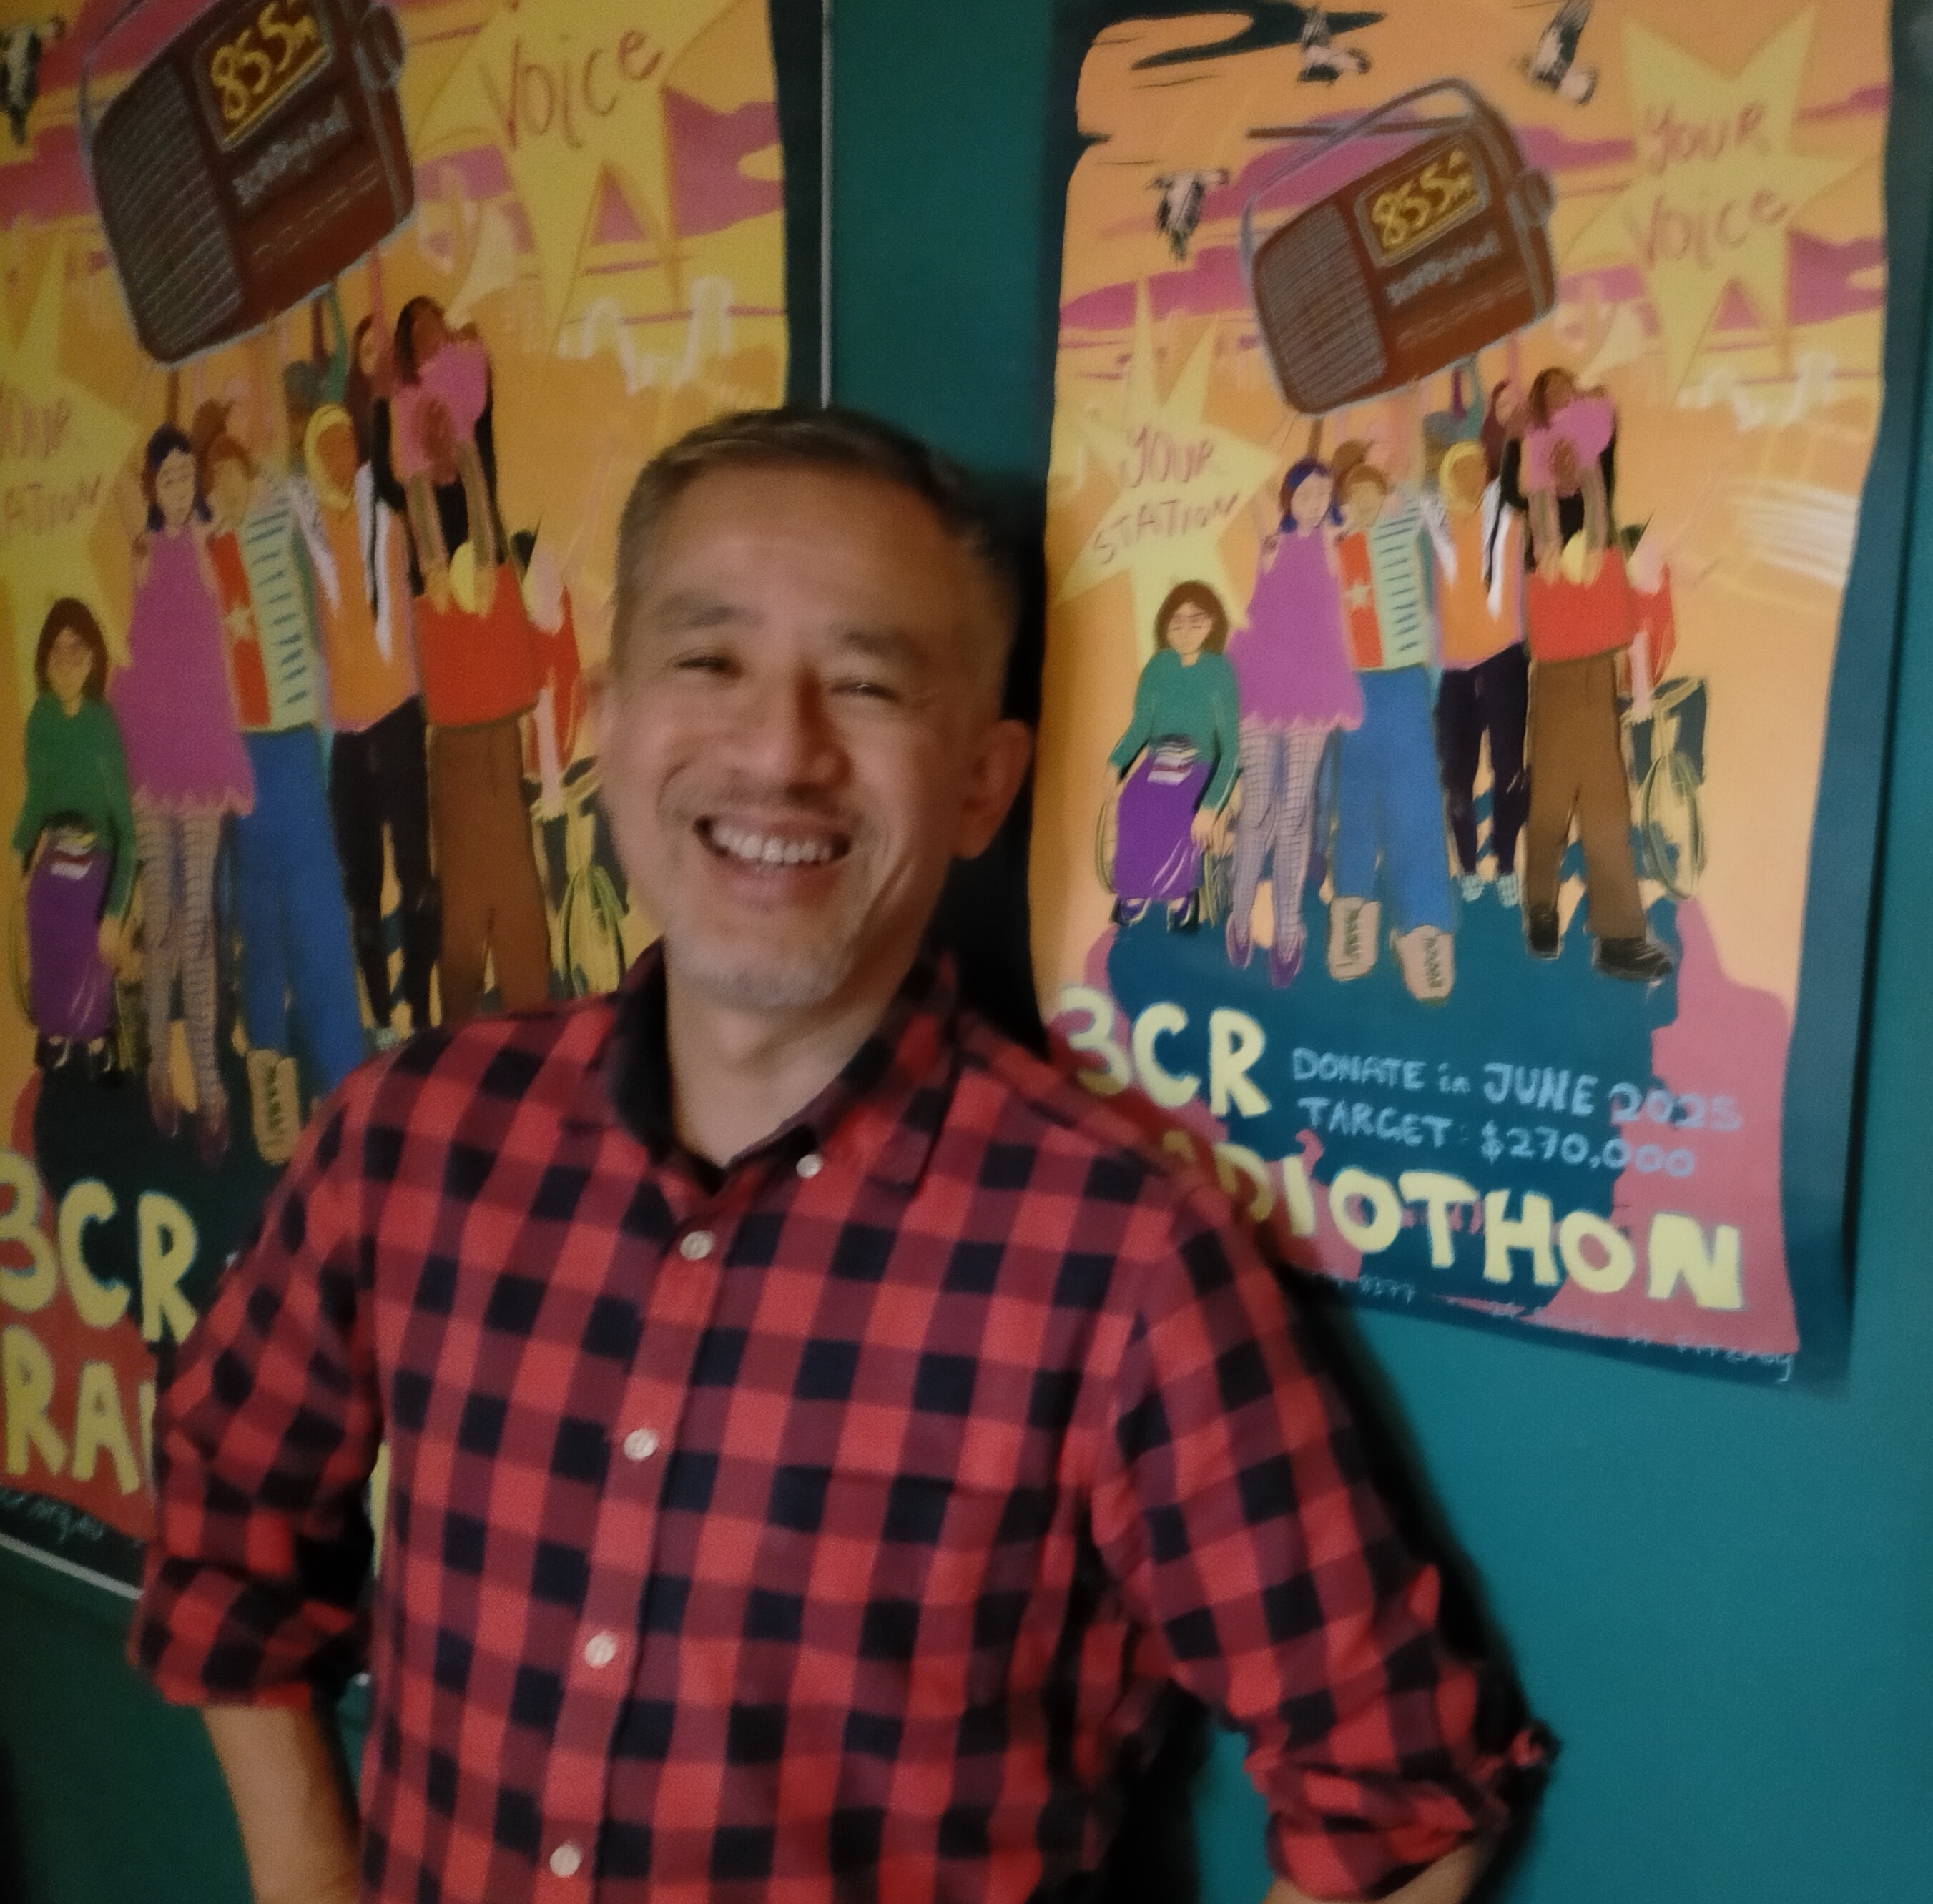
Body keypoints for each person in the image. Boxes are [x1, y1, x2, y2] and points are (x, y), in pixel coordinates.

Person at [133, 408, 1545, 1904]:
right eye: (710, 661)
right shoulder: (409, 1141)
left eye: (865, 683)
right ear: (605, 718)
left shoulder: (1117, 1262)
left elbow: (1401, 1790)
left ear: (983, 782)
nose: (777, 752)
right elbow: (226, 1506)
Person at [197, 404, 368, 1160]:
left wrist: (267, 468)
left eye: (233, 472)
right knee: (258, 923)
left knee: (316, 912)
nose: (226, 486)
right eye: (215, 479)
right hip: (240, 752)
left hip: (292, 742)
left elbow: (305, 487)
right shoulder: (204, 554)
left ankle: (343, 1083)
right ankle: (272, 1082)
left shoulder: (278, 521)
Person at [375, 295, 549, 1024]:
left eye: (434, 330)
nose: (429, 341)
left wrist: (467, 380)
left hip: (487, 648)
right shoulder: (404, 448)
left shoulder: (473, 425)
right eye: (416, 337)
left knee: (511, 883)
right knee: (466, 898)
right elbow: (397, 481)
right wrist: (388, 404)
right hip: (450, 676)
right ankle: (461, 1026)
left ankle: (529, 1011)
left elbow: (481, 428)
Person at [108, 425, 255, 1163]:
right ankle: (159, 1075)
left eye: (185, 475)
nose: (179, 487)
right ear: (151, 483)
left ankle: (212, 1092)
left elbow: (223, 657)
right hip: (146, 755)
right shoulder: (141, 550)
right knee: (161, 921)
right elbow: (114, 481)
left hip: (198, 756)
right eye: (167, 476)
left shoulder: (208, 542)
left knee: (196, 926)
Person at [1500, 371, 1674, 982]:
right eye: (1550, 395)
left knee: (1603, 806)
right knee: (1550, 803)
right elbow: (1512, 487)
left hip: (1595, 667)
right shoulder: (1531, 497)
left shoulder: (1599, 478)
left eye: (1567, 393)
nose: (1561, 402)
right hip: (1553, 671)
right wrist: (1517, 437)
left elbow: (1607, 438)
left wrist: (1598, 412)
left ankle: (1619, 936)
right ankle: (1541, 907)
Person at [303, 400, 438, 1039]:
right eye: (326, 445)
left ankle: (422, 1006)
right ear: (312, 458)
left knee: (416, 874)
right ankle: (382, 1018)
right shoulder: (307, 535)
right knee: (361, 887)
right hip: (348, 736)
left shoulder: (387, 522)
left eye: (346, 441)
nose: (339, 454)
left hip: (399, 718)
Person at [1224, 460, 1362, 985]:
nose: (1315, 502)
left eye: (1323, 493)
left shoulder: (1331, 541)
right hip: (1260, 680)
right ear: (1288, 497)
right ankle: (1239, 916)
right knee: (1258, 804)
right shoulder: (1269, 541)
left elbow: (1360, 513)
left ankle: (1288, 931)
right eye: (1305, 493)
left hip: (1312, 685)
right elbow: (1251, 487)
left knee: (1295, 812)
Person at [1327, 450, 1457, 1003]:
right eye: (1353, 496)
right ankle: (1352, 915)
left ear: (1386, 499)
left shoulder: (1401, 526)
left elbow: (1425, 492)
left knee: (1415, 805)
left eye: (1371, 494)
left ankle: (1422, 930)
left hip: (1403, 680)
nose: (1363, 502)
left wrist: (1401, 461)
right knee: (1355, 802)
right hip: (1353, 685)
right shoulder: (1334, 547)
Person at [12, 598, 136, 1075]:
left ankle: (96, 1033)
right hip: (57, 847)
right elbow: (37, 800)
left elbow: (126, 831)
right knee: (42, 905)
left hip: (99, 852)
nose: (66, 663)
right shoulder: (41, 720)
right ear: (44, 659)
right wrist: (17, 851)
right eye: (57, 651)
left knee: (86, 918)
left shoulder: (101, 727)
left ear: (93, 659)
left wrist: (114, 913)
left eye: (77, 651)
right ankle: (55, 1029)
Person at [1422, 439, 1528, 907]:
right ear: (1447, 475)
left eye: (1479, 467)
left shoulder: (1507, 520)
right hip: (1456, 672)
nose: (1472, 475)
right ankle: (1466, 865)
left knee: (1508, 770)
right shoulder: (1435, 522)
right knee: (1457, 778)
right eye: (1460, 468)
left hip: (1503, 661)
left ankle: (1505, 863)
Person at [1106, 580, 1238, 932]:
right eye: (1177, 622)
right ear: (1165, 626)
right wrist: (1115, 765)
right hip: (1156, 762)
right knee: (1133, 802)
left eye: (1196, 620)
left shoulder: (1219, 672)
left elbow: (1231, 749)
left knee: (1181, 810)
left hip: (1200, 764)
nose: (1186, 631)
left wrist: (1210, 807)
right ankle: (1134, 890)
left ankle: (1180, 896)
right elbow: (1139, 729)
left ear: (1212, 623)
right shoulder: (1157, 668)